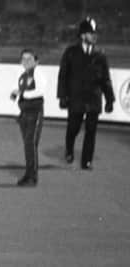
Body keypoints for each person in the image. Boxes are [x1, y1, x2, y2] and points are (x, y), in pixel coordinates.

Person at [57, 17, 115, 170]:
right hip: (76, 97)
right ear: (82, 35)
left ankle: (86, 161)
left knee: (91, 131)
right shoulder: (71, 52)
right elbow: (63, 75)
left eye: (95, 33)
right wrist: (62, 96)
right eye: (91, 33)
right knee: (73, 127)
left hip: (93, 98)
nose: (94, 36)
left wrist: (110, 99)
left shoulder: (100, 55)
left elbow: (106, 79)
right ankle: (69, 149)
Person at [10, 49, 46, 186]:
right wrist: (16, 94)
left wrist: (22, 93)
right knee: (27, 145)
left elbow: (40, 91)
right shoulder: (23, 76)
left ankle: (32, 176)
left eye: (29, 59)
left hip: (35, 112)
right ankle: (28, 174)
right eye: (23, 59)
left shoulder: (38, 74)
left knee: (31, 144)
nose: (25, 62)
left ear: (36, 61)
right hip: (24, 113)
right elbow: (21, 90)